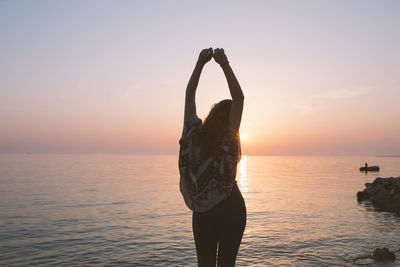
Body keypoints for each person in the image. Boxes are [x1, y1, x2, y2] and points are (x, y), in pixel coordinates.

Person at [178, 48, 246, 267]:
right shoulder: (229, 138)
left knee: (204, 264)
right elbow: (239, 97)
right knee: (227, 264)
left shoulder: (193, 136)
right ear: (230, 119)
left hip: (203, 208)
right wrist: (224, 63)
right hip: (231, 205)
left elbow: (189, 95)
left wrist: (200, 64)